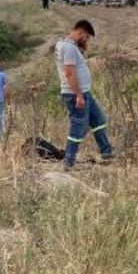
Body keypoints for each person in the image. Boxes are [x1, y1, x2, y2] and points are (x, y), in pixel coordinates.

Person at [56, 19, 114, 169]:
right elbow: (69, 73)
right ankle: (68, 161)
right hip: (76, 94)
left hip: (84, 92)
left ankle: (107, 152)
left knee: (98, 120)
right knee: (78, 127)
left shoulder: (68, 45)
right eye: (86, 37)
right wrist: (79, 95)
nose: (87, 40)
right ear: (80, 32)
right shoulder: (69, 47)